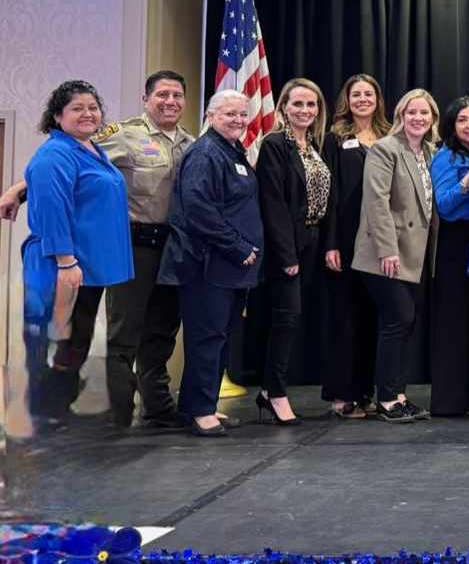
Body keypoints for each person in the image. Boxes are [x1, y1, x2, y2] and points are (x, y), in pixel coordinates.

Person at [9, 71, 195, 429]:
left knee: (161, 331)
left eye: (177, 95)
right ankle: (118, 415)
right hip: (132, 245)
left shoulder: (189, 142)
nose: (170, 101)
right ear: (146, 99)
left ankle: (157, 408)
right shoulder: (122, 135)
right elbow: (57, 168)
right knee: (120, 334)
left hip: (171, 247)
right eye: (162, 95)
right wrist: (17, 191)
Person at [20, 80, 134, 423]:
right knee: (56, 339)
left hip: (88, 267)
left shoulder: (89, 148)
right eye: (77, 108)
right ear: (57, 116)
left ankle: (55, 406)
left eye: (93, 107)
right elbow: (53, 210)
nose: (88, 114)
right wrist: (66, 262)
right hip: (63, 265)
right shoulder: (55, 155)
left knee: (75, 339)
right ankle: (42, 411)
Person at [157, 89, 262, 437]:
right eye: (230, 114)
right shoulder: (204, 153)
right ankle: (201, 410)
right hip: (207, 265)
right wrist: (238, 247)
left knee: (219, 338)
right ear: (211, 116)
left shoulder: (232, 151)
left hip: (231, 269)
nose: (238, 120)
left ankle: (201, 404)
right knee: (206, 338)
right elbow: (199, 210)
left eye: (242, 115)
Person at [353, 88, 440, 423]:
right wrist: (387, 250)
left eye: (424, 113)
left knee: (404, 324)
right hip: (384, 254)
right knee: (398, 319)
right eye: (411, 112)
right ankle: (387, 398)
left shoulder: (431, 152)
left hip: (415, 256)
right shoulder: (385, 149)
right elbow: (376, 202)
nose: (418, 118)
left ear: (432, 119)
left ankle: (398, 394)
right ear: (401, 116)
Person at [253, 77, 331, 426]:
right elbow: (273, 204)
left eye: (311, 104)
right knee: (285, 320)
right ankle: (275, 392)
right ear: (283, 107)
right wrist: (287, 257)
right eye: (297, 104)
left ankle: (271, 389)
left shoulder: (313, 145)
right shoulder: (274, 144)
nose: (304, 110)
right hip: (288, 247)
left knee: (295, 320)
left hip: (313, 241)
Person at [321, 74, 389, 418]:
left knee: (371, 318)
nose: (363, 99)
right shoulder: (335, 138)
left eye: (369, 93)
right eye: (356, 94)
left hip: (382, 241)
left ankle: (365, 392)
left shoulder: (392, 135)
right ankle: (341, 395)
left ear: (378, 99)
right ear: (347, 100)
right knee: (345, 320)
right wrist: (330, 242)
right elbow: (330, 195)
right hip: (346, 240)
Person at [429, 96, 469, 416]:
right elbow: (444, 205)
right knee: (455, 322)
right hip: (456, 243)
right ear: (452, 125)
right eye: (463, 120)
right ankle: (449, 401)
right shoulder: (446, 157)